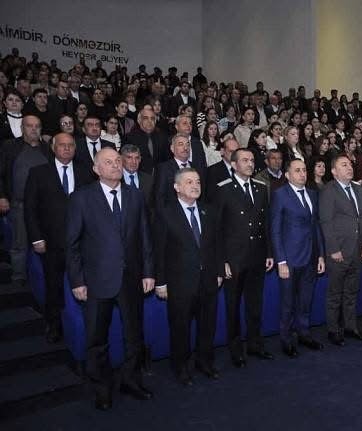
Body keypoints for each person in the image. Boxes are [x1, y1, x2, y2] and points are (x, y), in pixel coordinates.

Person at [66, 148, 155, 410]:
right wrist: (77, 281)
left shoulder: (135, 195)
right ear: (96, 169)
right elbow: (71, 244)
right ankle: (102, 388)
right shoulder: (81, 198)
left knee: (134, 335)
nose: (116, 165)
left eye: (118, 160)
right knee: (97, 339)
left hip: (131, 279)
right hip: (96, 280)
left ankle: (131, 380)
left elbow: (145, 236)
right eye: (109, 162)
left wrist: (149, 272)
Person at [155, 168, 223, 385]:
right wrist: (161, 282)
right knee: (180, 327)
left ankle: (205, 361)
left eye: (198, 182)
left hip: (208, 280)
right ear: (176, 187)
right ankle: (181, 367)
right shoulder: (165, 213)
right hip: (179, 283)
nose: (195, 186)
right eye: (189, 182)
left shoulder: (208, 211)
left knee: (207, 325)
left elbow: (216, 245)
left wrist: (219, 271)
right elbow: (159, 251)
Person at [24, 132, 93, 343]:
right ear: (53, 148)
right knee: (53, 285)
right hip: (51, 242)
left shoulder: (85, 171)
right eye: (62, 145)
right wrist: (36, 238)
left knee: (85, 285)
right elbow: (30, 208)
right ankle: (54, 325)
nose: (66, 148)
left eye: (70, 145)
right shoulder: (38, 173)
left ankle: (86, 326)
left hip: (82, 242)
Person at [215, 148, 274, 367]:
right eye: (245, 160)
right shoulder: (223, 189)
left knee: (255, 303)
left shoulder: (261, 188)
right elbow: (216, 229)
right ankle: (235, 349)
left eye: (251, 160)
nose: (250, 164)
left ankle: (255, 344)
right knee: (232, 306)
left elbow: (266, 223)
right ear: (234, 165)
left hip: (257, 255)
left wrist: (269, 253)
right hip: (234, 259)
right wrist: (222, 261)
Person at [270, 159, 325, 357]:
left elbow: (316, 225)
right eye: (297, 171)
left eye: (304, 170)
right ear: (287, 175)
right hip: (290, 259)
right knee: (287, 303)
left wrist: (320, 255)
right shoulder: (280, 195)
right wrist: (281, 261)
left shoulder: (312, 194)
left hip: (311, 257)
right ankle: (286, 339)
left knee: (305, 301)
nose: (302, 174)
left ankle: (304, 333)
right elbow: (275, 230)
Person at [319, 154, 362, 345]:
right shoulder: (328, 191)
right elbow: (326, 222)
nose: (349, 167)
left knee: (351, 291)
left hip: (358, 250)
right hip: (339, 252)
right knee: (335, 294)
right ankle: (333, 330)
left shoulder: (359, 189)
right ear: (334, 171)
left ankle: (350, 326)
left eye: (350, 164)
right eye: (344, 165)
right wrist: (333, 249)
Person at [0, 115, 50, 286]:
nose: (34, 129)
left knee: (45, 243)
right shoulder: (10, 147)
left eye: (37, 126)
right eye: (29, 126)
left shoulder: (47, 149)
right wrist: (2, 196)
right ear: (22, 128)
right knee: (19, 244)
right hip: (19, 204)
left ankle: (43, 278)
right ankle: (18, 277)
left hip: (44, 207)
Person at [123, 108, 169, 174]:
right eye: (145, 118)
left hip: (160, 174)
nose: (149, 121)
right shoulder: (129, 138)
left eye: (152, 118)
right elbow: (126, 160)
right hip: (138, 175)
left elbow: (167, 159)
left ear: (155, 121)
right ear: (139, 120)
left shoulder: (163, 137)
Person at [154, 133, 193, 210]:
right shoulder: (164, 168)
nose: (185, 148)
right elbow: (160, 198)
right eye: (181, 144)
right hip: (173, 213)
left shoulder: (197, 167)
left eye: (188, 144)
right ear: (172, 148)